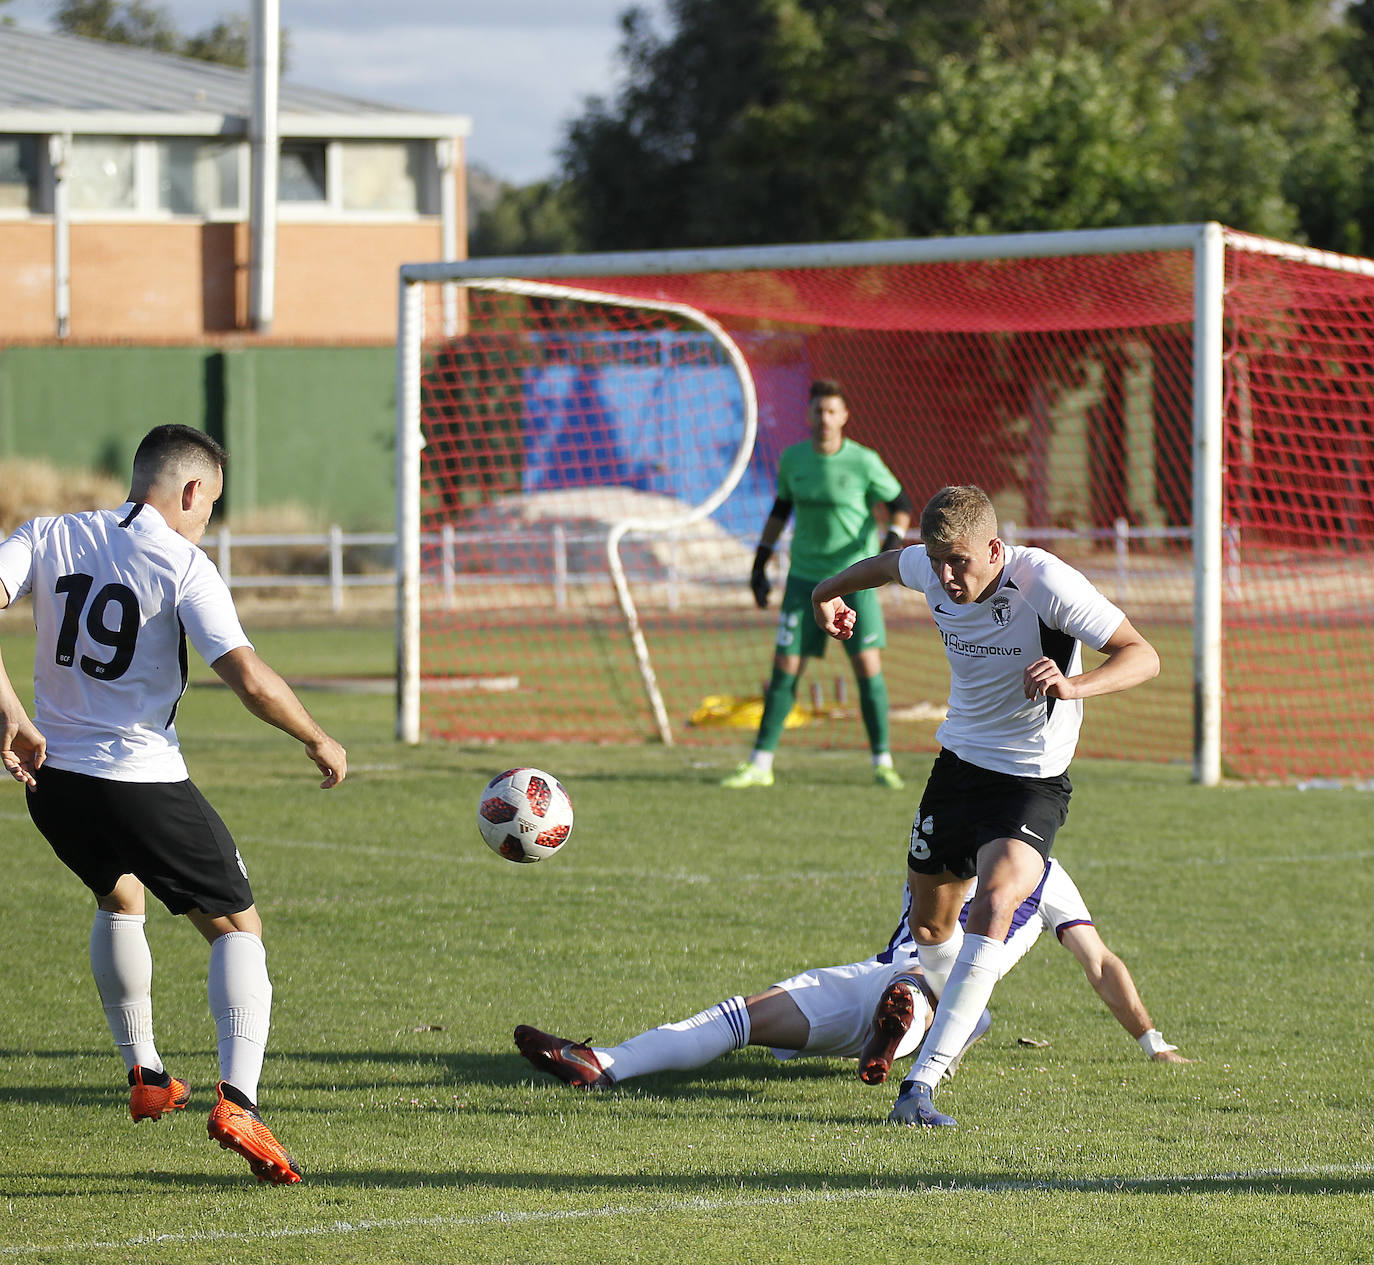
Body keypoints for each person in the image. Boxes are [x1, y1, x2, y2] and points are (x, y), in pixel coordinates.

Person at [0, 424, 348, 1185]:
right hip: (141, 779)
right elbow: (248, 678)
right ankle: (240, 1100)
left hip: (52, 779)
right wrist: (318, 737)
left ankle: (148, 1071)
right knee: (236, 925)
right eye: (211, 505)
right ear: (191, 491)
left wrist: (11, 714)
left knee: (120, 895)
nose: (207, 520)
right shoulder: (184, 563)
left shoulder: (49, 531)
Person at [813, 484, 1161, 1128]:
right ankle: (966, 1016)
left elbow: (1144, 655)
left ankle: (923, 1083)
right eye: (938, 561)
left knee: (997, 900)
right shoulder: (929, 565)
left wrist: (1074, 683)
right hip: (958, 769)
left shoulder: (1046, 583)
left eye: (961, 563)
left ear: (995, 548)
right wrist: (823, 593)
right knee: (928, 932)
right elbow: (888, 563)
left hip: (1030, 781)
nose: (946, 577)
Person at [512, 858, 1187, 1091]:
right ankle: (904, 1033)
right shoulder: (1043, 870)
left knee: (740, 1017)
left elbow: (1102, 964)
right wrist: (1152, 1042)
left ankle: (605, 1062)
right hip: (920, 992)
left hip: (873, 979)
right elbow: (1100, 962)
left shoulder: (940, 843)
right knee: (950, 998)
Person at [721, 379, 913, 790]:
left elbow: (900, 504)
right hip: (805, 582)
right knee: (785, 668)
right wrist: (760, 562)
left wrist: (891, 545)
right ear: (808, 416)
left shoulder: (863, 461)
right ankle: (760, 763)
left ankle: (882, 762)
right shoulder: (793, 460)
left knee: (867, 669)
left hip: (856, 578)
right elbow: (780, 509)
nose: (824, 418)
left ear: (844, 416)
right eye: (817, 411)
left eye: (832, 411)